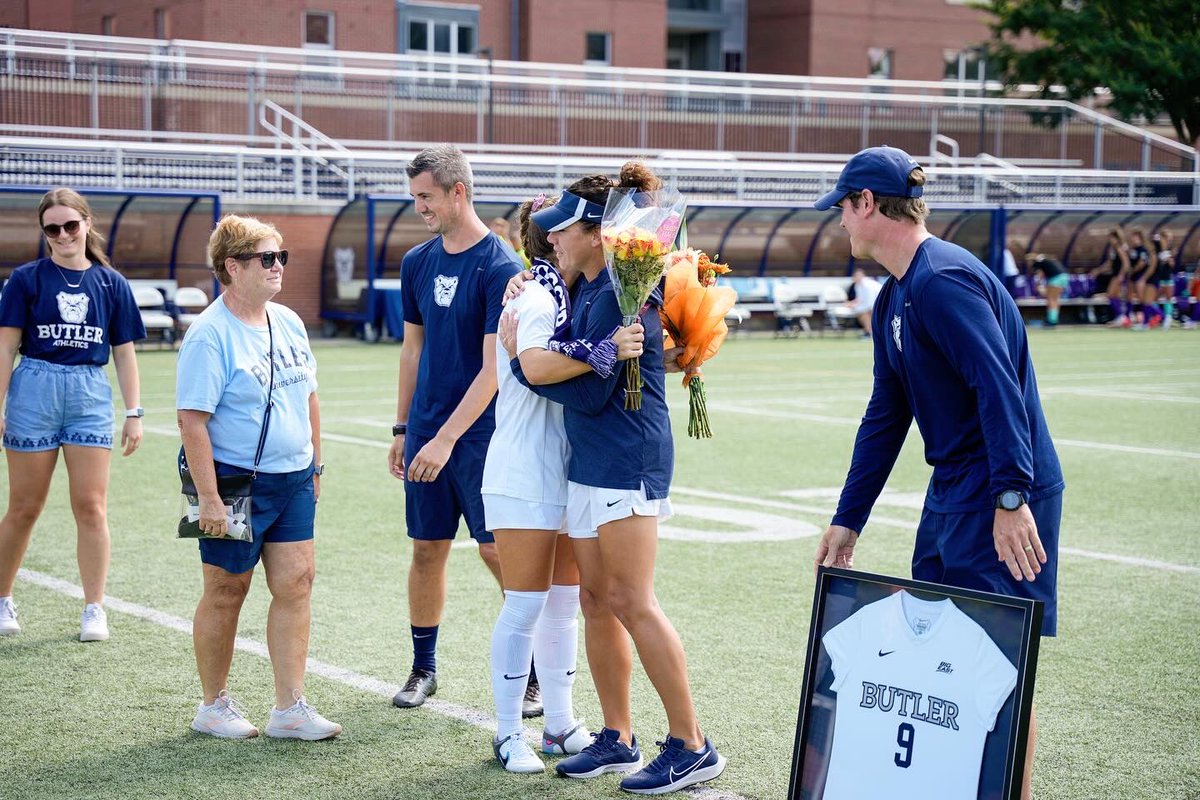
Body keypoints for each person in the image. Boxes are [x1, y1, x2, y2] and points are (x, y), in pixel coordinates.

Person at [810, 146, 1063, 800]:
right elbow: (885, 415)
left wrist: (1011, 495)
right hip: (954, 487)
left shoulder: (943, 280)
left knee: (1001, 662)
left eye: (843, 206)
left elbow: (996, 386)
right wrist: (848, 518)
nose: (839, 221)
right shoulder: (896, 295)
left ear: (867, 203)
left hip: (1002, 489)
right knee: (942, 660)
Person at [508, 163, 727, 795]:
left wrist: (529, 371)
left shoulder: (620, 292)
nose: (550, 242)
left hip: (626, 456)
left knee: (631, 601)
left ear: (595, 234)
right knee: (595, 601)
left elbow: (589, 396)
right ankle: (617, 735)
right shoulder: (593, 289)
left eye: (559, 234)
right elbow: (580, 374)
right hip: (594, 460)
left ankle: (691, 743)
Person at [484, 196, 643, 773]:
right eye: (553, 233)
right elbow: (537, 365)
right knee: (525, 603)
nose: (560, 240)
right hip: (524, 469)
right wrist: (605, 352)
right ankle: (506, 733)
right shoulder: (531, 295)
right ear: (547, 243)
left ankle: (559, 723)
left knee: (562, 606)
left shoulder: (573, 297)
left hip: (569, 469)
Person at [177, 214, 341, 741]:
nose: (277, 267)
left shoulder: (288, 320)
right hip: (229, 480)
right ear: (232, 266)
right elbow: (191, 421)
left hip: (293, 477)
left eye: (280, 256)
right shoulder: (208, 334)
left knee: (298, 582)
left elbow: (309, 395)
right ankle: (212, 705)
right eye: (266, 258)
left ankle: (289, 707)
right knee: (227, 589)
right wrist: (207, 497)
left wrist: (314, 462)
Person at [386, 145, 531, 712]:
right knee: (427, 549)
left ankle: (536, 670)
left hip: (479, 436)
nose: (418, 207)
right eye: (415, 197)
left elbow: (495, 368)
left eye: (425, 196)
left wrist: (447, 438)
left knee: (498, 553)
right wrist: (405, 427)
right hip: (425, 431)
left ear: (457, 192)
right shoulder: (417, 262)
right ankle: (424, 668)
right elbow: (412, 348)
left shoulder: (501, 267)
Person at [0, 188, 145, 642]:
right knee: (24, 506)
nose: (62, 234)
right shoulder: (25, 279)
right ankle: (3, 598)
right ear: (44, 233)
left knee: (91, 505)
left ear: (86, 224)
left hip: (88, 391)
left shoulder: (110, 283)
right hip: (35, 389)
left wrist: (134, 412)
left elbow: (124, 353)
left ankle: (94, 607)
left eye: (70, 225)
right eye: (52, 228)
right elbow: (6, 346)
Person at [1092, 228, 1130, 326]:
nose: (1110, 239)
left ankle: (1121, 317)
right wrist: (1098, 270)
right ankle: (1120, 317)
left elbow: (1126, 263)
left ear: (1116, 238)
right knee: (1114, 296)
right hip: (1115, 274)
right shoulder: (1112, 248)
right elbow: (1109, 263)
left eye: (1112, 237)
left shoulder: (1119, 247)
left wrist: (1121, 275)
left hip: (1119, 275)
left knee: (1111, 294)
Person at [1025, 253, 1069, 327]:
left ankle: (1051, 321)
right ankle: (1054, 319)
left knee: (1051, 299)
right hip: (1064, 276)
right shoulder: (1045, 259)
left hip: (1055, 278)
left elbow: (1040, 274)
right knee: (1055, 299)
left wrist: (1038, 285)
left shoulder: (1037, 263)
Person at [1126, 228, 1158, 328]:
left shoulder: (1145, 250)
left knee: (1144, 300)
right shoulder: (1133, 249)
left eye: (1135, 237)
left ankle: (1159, 316)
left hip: (1141, 277)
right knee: (1132, 297)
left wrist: (1134, 271)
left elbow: (1143, 263)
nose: (1133, 239)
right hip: (1137, 277)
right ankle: (1132, 318)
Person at [844, 266, 883, 336]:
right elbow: (860, 299)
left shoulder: (868, 285)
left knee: (863, 313)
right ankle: (869, 332)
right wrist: (851, 304)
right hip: (871, 304)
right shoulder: (857, 285)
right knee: (861, 312)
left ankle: (871, 332)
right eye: (855, 276)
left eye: (858, 275)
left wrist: (857, 306)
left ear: (862, 275)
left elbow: (870, 302)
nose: (857, 277)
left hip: (882, 302)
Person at [1148, 231, 1176, 329]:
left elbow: (1172, 265)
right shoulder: (1157, 249)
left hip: (1168, 278)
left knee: (1168, 299)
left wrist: (1169, 259)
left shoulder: (1170, 251)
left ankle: (1168, 318)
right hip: (1159, 278)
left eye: (1170, 239)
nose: (1168, 241)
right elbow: (1151, 238)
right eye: (1166, 239)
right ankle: (1157, 317)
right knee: (1153, 299)